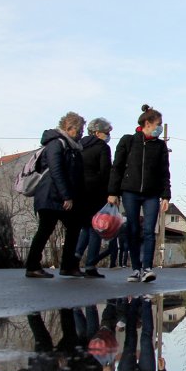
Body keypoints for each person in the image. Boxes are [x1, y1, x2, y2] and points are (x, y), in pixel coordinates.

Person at [107, 105, 171, 283]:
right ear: (147, 123)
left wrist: (166, 195)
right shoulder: (128, 141)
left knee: (149, 230)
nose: (159, 127)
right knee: (133, 229)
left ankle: (147, 268)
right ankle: (135, 268)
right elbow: (117, 167)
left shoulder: (160, 146)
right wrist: (113, 192)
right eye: (158, 124)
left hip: (152, 193)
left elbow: (164, 172)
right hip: (130, 191)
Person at [25, 112, 86, 278]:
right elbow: (56, 170)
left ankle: (67, 265)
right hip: (50, 196)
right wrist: (66, 196)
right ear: (69, 128)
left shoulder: (72, 147)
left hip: (60, 197)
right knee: (45, 229)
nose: (81, 134)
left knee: (73, 227)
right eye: (79, 130)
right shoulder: (56, 144)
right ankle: (32, 266)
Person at [74, 117, 113, 278]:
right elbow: (106, 172)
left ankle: (74, 258)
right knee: (96, 228)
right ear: (97, 133)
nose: (108, 136)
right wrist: (110, 192)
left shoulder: (79, 145)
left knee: (84, 227)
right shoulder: (102, 147)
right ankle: (90, 265)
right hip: (96, 192)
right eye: (106, 133)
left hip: (79, 191)